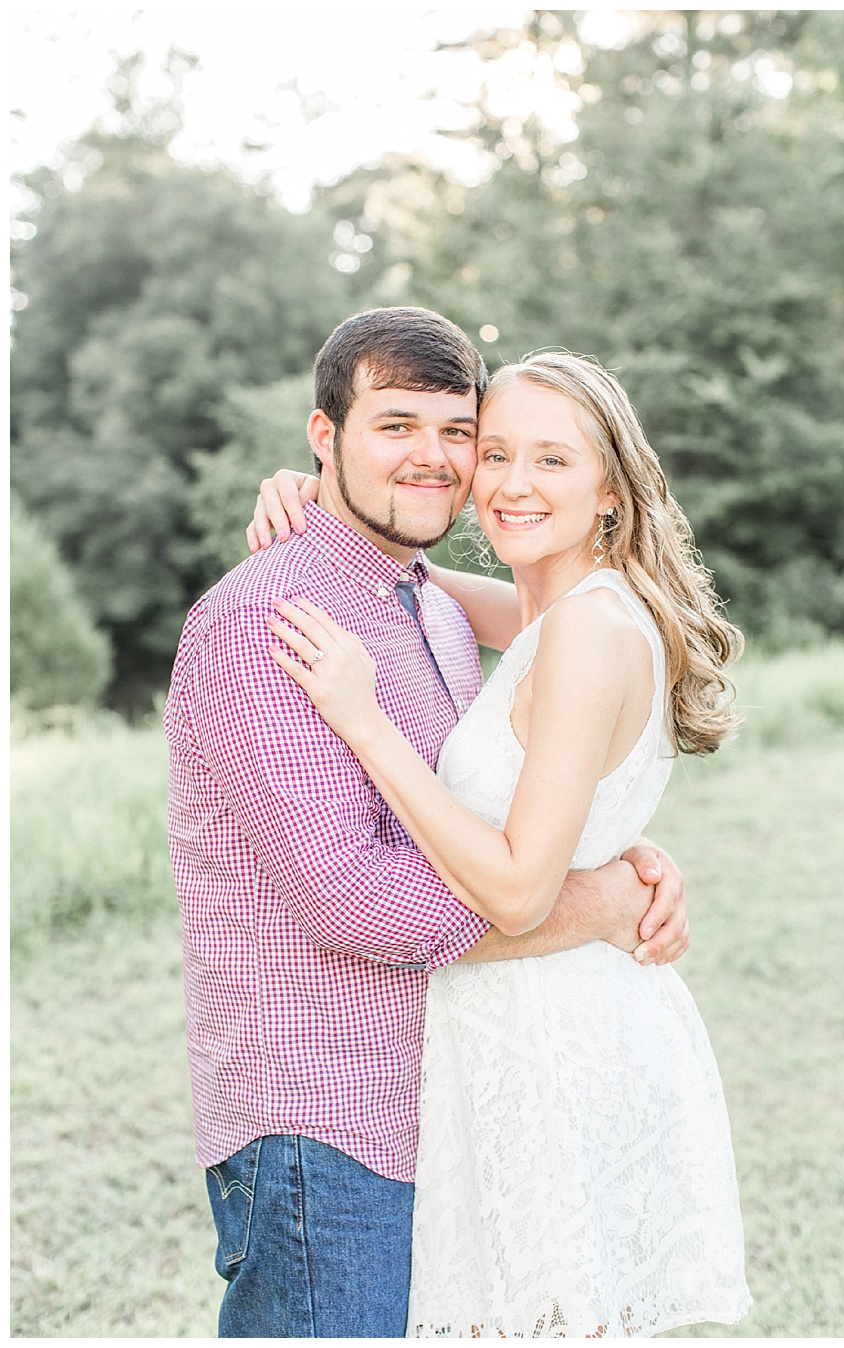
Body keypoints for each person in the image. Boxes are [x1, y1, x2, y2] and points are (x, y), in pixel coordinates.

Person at [166, 307, 691, 1338]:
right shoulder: (259, 624)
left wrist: (618, 846)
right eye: (396, 425)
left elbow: (507, 781)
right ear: (325, 437)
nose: (438, 458)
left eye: (460, 432)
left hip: (449, 1099)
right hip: (324, 1119)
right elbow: (358, 899)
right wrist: (596, 902)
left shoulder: (430, 602)